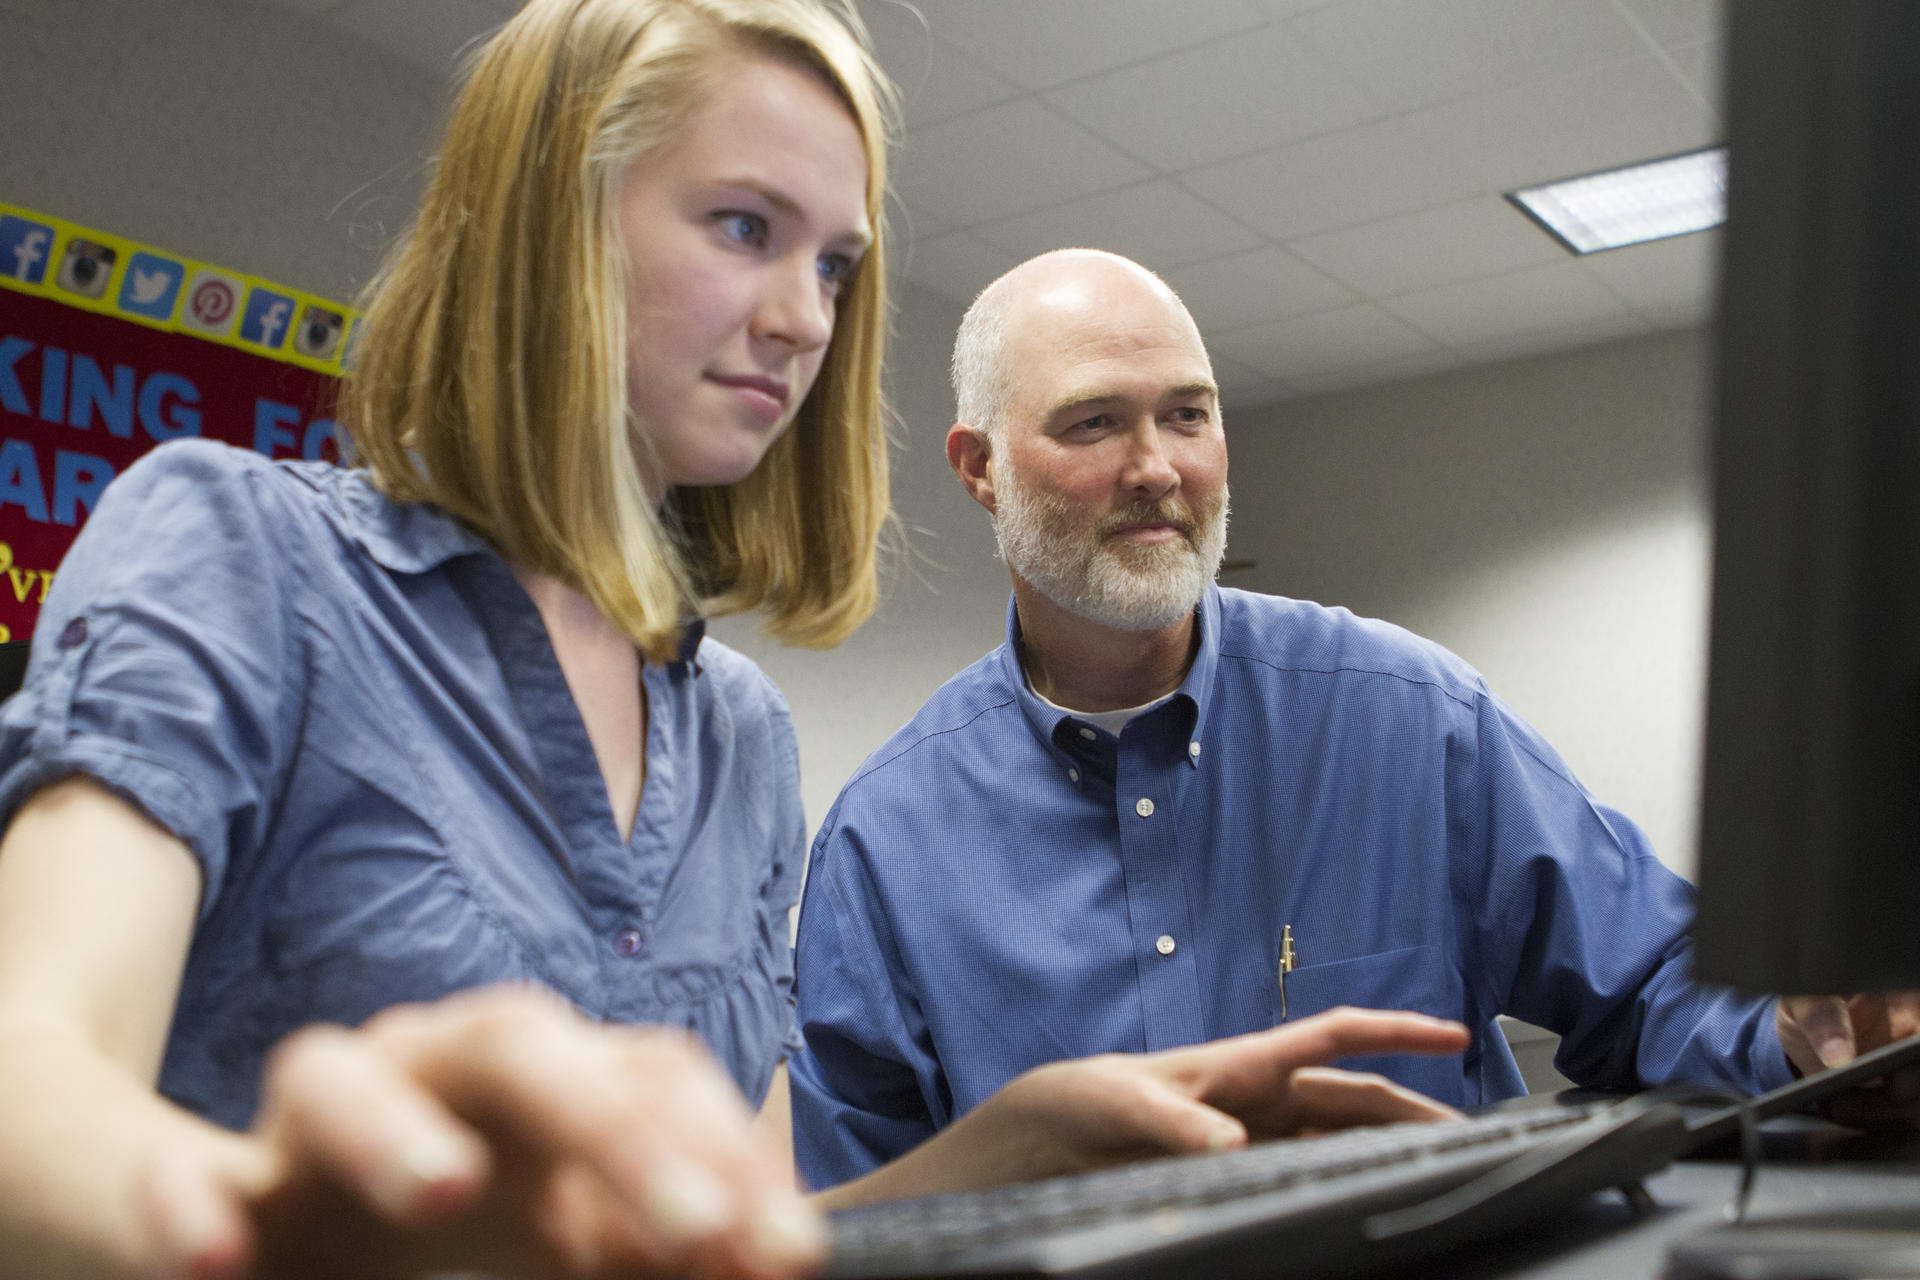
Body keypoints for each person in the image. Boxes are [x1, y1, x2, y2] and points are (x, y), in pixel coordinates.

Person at [0, 11, 1476, 1279]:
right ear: (550, 218)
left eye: (835, 264)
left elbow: (755, 1233)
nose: (803, 319)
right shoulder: (239, 553)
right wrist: (251, 1218)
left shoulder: (740, 736)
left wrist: (1024, 1146)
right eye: (743, 228)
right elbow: (27, 1080)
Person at [785, 247, 1920, 1190]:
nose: (1157, 468)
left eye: (1189, 413)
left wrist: (1813, 1035)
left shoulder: (1412, 721)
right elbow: (848, 1211)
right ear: (980, 468)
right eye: (1092, 424)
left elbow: (1652, 984)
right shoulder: (885, 844)